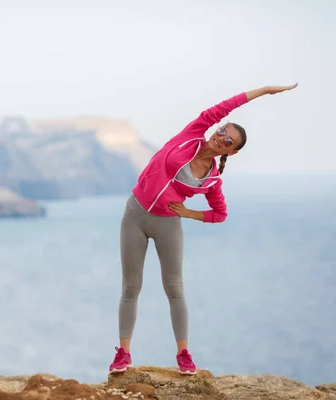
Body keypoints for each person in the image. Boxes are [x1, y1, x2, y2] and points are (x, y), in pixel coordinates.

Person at [109, 83, 298, 375]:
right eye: (223, 130)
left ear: (232, 152)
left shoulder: (212, 181)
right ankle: (123, 353)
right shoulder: (191, 136)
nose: (222, 137)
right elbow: (226, 105)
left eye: (229, 140)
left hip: (167, 224)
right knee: (131, 287)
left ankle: (183, 354)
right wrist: (263, 91)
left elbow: (220, 214)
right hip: (134, 214)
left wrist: (189, 213)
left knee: (175, 289)